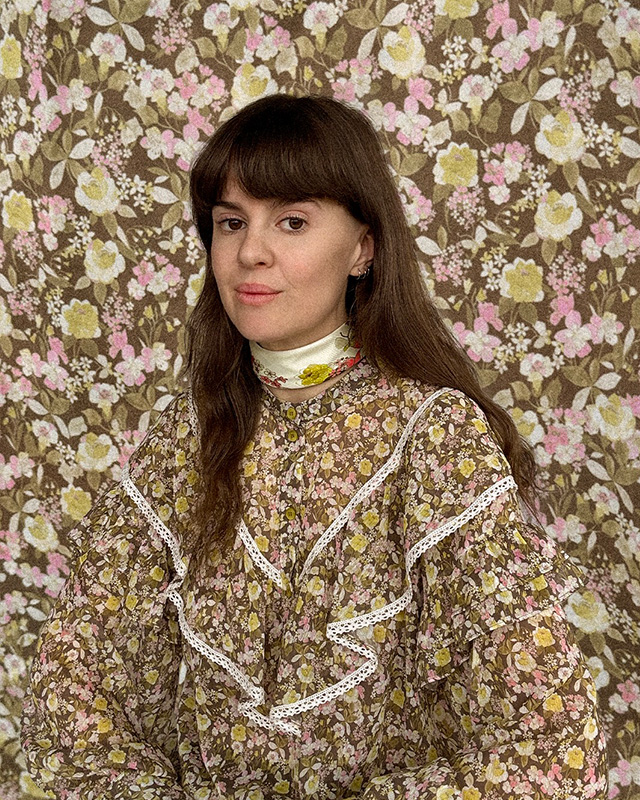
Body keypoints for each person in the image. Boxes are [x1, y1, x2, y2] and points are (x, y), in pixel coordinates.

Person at [21, 94, 608, 800]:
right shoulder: (183, 440)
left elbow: (556, 744)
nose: (250, 252)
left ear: (363, 248)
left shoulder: (434, 438)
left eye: (292, 221)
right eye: (230, 222)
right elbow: (71, 692)